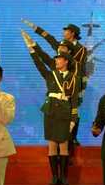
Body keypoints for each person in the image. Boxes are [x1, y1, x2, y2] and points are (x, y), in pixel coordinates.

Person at [22, 30, 78, 185]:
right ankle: (55, 177)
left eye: (59, 58)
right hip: (51, 111)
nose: (57, 60)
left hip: (65, 112)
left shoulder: (74, 79)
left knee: (64, 145)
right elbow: (40, 65)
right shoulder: (51, 75)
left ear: (66, 61)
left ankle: (64, 176)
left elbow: (74, 101)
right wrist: (32, 50)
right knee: (52, 145)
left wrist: (73, 120)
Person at [22, 19, 87, 148]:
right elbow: (48, 39)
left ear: (73, 33)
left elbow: (82, 69)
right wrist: (35, 28)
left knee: (74, 111)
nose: (63, 33)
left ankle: (72, 136)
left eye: (66, 31)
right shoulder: (59, 50)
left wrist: (82, 87)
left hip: (72, 83)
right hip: (57, 77)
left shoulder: (81, 50)